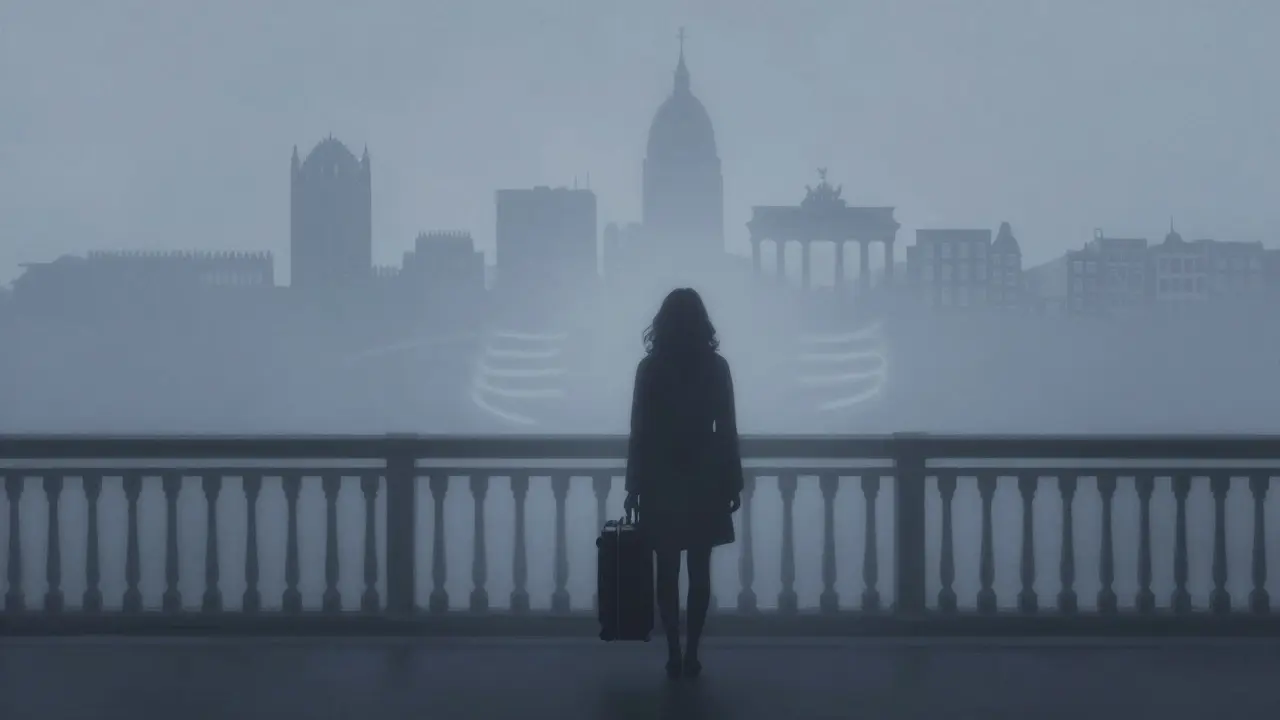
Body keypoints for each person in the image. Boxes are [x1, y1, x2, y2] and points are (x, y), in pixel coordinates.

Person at [623, 287, 744, 680]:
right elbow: (727, 429)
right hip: (704, 474)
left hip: (661, 475)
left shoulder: (651, 368)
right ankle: (692, 650)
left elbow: (639, 430)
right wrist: (732, 481)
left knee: (667, 570)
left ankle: (673, 650)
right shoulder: (716, 366)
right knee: (700, 569)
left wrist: (633, 485)